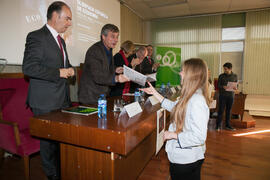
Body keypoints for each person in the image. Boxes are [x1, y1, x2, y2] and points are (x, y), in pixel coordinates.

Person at [22, 1, 74, 180]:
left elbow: (63, 66)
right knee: (48, 147)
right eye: (67, 18)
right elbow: (29, 68)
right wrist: (59, 72)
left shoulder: (61, 40)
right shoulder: (37, 36)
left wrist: (71, 69)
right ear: (54, 16)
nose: (70, 23)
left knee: (59, 145)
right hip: (45, 102)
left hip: (62, 100)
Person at [140, 58, 210, 180]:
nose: (180, 73)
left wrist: (173, 135)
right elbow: (176, 107)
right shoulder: (190, 95)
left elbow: (199, 136)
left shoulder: (197, 101)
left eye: (183, 71)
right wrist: (155, 94)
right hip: (184, 156)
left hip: (187, 159)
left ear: (191, 75)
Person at [78, 24, 129, 105]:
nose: (116, 40)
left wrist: (115, 69)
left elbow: (105, 67)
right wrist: (117, 78)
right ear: (103, 37)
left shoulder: (108, 49)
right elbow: (97, 76)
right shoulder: (95, 51)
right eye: (112, 36)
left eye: (117, 37)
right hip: (90, 97)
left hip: (102, 95)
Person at [216, 62, 238, 131]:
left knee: (229, 111)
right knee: (221, 111)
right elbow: (218, 86)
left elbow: (236, 85)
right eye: (224, 69)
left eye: (226, 69)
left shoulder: (235, 76)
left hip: (231, 96)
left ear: (230, 69)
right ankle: (218, 126)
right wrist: (223, 87)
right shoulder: (221, 76)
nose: (224, 70)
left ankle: (228, 125)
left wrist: (236, 88)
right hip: (222, 96)